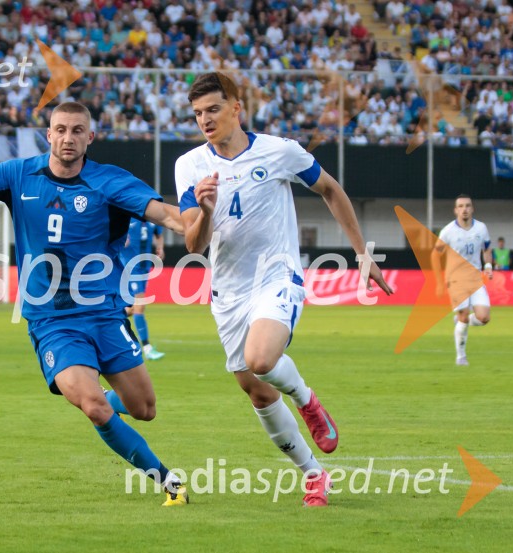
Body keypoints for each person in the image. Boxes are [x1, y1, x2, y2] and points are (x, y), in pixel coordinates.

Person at [0, 101, 189, 507]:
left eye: (77, 131)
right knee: (90, 404)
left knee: (145, 409)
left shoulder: (110, 182)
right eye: (60, 130)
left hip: (104, 313)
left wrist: (201, 215)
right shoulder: (18, 174)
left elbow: (170, 217)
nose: (67, 138)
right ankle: (166, 480)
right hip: (51, 320)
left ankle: (107, 399)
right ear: (48, 134)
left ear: (89, 137)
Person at [175, 73, 393, 507]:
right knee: (253, 386)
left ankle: (308, 400)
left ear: (237, 108)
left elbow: (330, 189)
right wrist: (203, 210)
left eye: (213, 109)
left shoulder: (279, 151)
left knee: (260, 359)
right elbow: (194, 245)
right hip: (228, 291)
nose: (205, 120)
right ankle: (313, 473)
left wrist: (360, 252)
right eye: (198, 113)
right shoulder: (190, 165)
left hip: (278, 277)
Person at [432, 195, 493, 366]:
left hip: (475, 278)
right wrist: (438, 281)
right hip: (456, 279)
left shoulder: (481, 228)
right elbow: (435, 255)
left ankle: (460, 321)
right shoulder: (448, 231)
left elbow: (487, 249)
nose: (464, 209)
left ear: (472, 208)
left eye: (467, 205)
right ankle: (461, 357)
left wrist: (488, 265)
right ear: (456, 210)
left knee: (484, 317)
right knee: (464, 316)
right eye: (461, 206)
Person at [120, 218, 166, 360]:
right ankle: (147, 347)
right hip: (130, 267)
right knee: (140, 307)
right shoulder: (127, 217)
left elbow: (159, 235)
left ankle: (107, 316)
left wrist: (160, 248)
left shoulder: (152, 218)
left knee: (134, 309)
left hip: (144, 268)